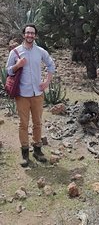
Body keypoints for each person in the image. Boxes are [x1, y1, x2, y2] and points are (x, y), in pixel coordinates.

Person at [5, 24, 56, 167]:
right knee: (23, 124)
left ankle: (37, 150)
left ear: (35, 36)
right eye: (27, 33)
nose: (30, 35)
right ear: (23, 35)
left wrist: (47, 81)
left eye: (32, 33)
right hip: (22, 94)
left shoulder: (40, 52)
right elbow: (8, 71)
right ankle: (25, 154)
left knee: (38, 123)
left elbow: (51, 65)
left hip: (37, 94)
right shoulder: (15, 52)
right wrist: (18, 65)